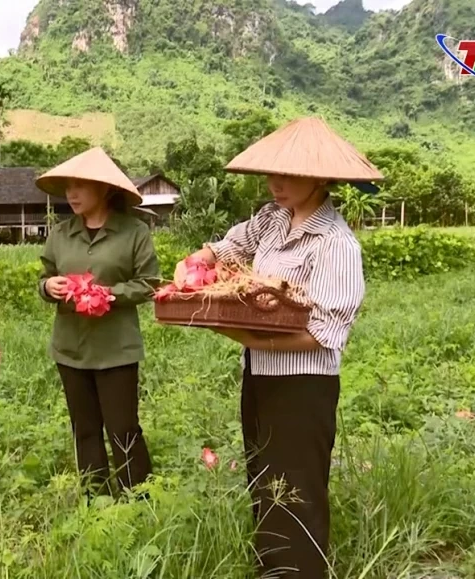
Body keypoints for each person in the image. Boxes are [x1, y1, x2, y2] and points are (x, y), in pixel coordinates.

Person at [176, 117, 379, 577]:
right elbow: (233, 244)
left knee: (298, 491)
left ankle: (302, 571)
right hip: (260, 375)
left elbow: (323, 333)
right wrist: (200, 261)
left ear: (320, 178)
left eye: (288, 175)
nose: (276, 184)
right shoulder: (272, 219)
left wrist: (242, 333)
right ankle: (272, 569)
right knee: (264, 483)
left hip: (303, 385)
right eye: (272, 174)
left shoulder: (335, 244)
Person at [35, 147, 160, 498]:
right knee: (84, 428)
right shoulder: (60, 234)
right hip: (70, 347)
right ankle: (96, 497)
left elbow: (150, 283)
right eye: (68, 187)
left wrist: (109, 295)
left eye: (80, 187)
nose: (71, 194)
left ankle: (138, 496)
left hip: (116, 348)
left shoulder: (133, 232)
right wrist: (49, 286)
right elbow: (45, 276)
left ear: (104, 189)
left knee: (123, 427)